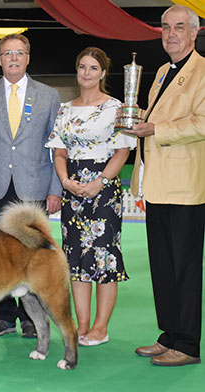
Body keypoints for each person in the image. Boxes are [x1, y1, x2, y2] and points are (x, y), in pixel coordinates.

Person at [126, 5, 205, 366]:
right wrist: (133, 118)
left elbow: (201, 123)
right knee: (162, 265)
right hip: (157, 184)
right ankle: (169, 334)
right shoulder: (160, 71)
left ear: (194, 32)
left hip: (187, 186)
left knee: (185, 269)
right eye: (165, 28)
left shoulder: (203, 70)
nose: (171, 34)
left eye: (179, 28)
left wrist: (155, 129)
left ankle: (187, 344)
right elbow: (156, 117)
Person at [46, 47, 136, 346]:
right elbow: (59, 152)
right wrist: (65, 182)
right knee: (75, 259)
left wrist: (101, 181)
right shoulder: (65, 109)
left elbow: (122, 151)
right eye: (82, 66)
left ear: (103, 73)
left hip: (104, 190)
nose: (86, 72)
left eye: (93, 68)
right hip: (72, 190)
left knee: (104, 257)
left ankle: (100, 327)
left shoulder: (116, 107)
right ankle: (82, 324)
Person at [0, 33, 61, 338]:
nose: (14, 58)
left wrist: (56, 188)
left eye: (20, 52)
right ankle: (5, 317)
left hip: (35, 187)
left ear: (28, 57)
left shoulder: (49, 96)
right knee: (0, 256)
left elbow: (57, 146)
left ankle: (32, 318)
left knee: (33, 257)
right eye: (8, 53)